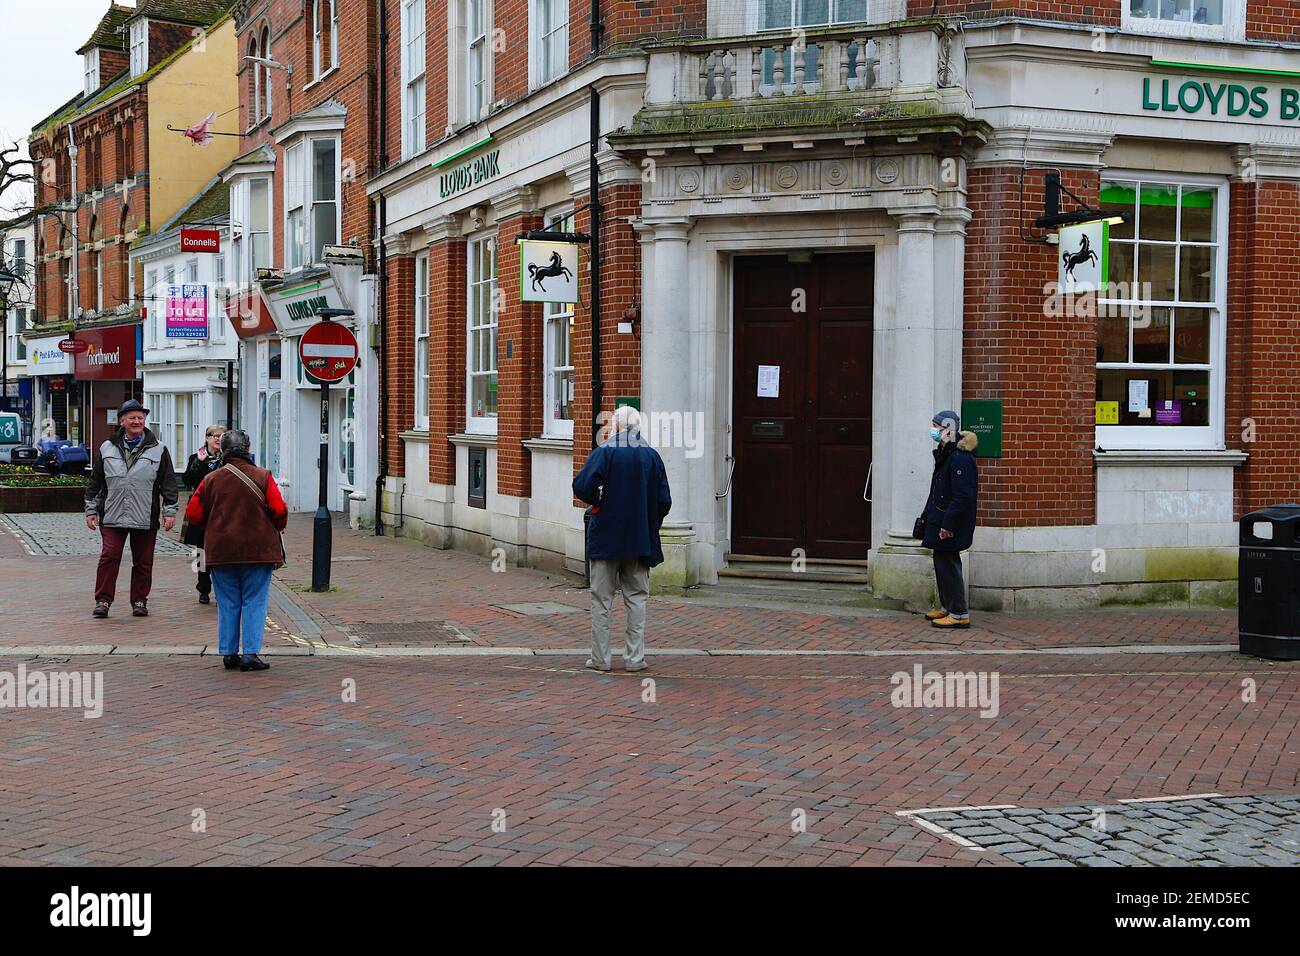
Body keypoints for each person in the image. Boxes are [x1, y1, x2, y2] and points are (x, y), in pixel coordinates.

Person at [572, 405, 672, 673]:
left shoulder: (604, 452)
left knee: (602, 601)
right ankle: (635, 659)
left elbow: (581, 486)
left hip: (606, 537)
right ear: (637, 428)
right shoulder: (652, 456)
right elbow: (664, 501)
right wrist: (650, 522)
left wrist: (598, 500)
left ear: (615, 427)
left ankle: (600, 659)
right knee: (637, 598)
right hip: (639, 538)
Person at [184, 429, 287, 672]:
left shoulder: (211, 479)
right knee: (254, 601)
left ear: (224, 450)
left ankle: (229, 652)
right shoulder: (263, 476)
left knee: (227, 601)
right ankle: (250, 653)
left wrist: (215, 527)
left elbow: (194, 513)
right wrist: (275, 528)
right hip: (258, 550)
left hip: (221, 551)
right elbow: (279, 510)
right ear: (248, 447)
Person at [85, 400, 178, 618]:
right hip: (112, 514)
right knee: (109, 556)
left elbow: (169, 483)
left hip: (145, 515)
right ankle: (103, 601)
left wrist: (170, 511)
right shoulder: (106, 448)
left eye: (140, 418)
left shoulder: (159, 449)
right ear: (122, 421)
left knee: (143, 562)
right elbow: (95, 483)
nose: (137, 421)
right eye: (132, 418)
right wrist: (91, 510)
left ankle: (139, 600)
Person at [920, 409, 978, 629]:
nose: (933, 430)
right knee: (941, 562)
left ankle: (959, 613)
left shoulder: (960, 458)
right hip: (940, 519)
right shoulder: (946, 454)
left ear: (948, 430)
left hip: (949, 522)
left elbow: (963, 496)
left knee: (949, 564)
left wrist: (948, 525)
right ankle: (947, 607)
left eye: (937, 426)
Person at [181, 424, 227, 605]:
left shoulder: (228, 459)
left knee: (222, 550)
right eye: (213, 435)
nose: (217, 439)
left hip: (223, 510)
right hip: (202, 510)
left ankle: (222, 588)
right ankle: (203, 587)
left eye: (221, 436)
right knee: (201, 551)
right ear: (206, 438)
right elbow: (187, 480)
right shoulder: (197, 457)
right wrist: (198, 463)